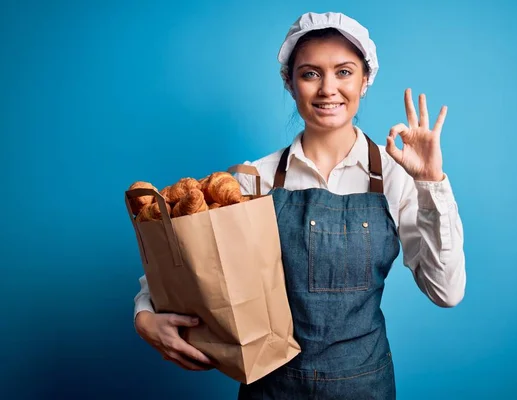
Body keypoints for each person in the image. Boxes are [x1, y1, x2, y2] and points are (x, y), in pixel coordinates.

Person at [132, 11, 466, 399]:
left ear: (365, 81)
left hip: (363, 387)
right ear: (289, 83)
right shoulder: (253, 179)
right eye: (310, 73)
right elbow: (184, 268)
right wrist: (144, 316)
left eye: (344, 72)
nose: (328, 89)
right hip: (270, 388)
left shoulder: (397, 177)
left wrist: (430, 183)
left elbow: (447, 292)